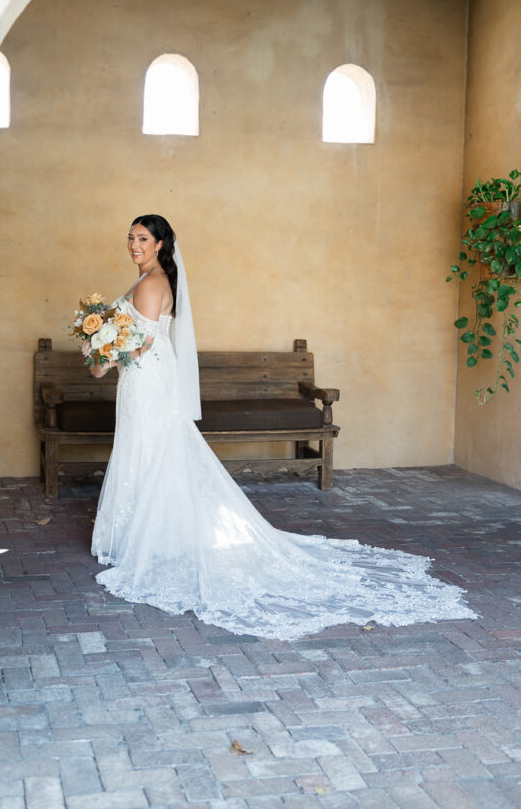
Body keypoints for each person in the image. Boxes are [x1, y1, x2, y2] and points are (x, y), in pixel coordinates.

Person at [90, 214, 476, 640]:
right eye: (130, 237)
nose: (133, 244)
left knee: (149, 450)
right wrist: (102, 341)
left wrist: (102, 357)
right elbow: (138, 337)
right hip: (147, 380)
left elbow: (140, 342)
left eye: (142, 238)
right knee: (151, 451)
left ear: (161, 244)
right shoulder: (155, 278)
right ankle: (150, 534)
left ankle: (149, 539)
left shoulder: (149, 283)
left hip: (147, 381)